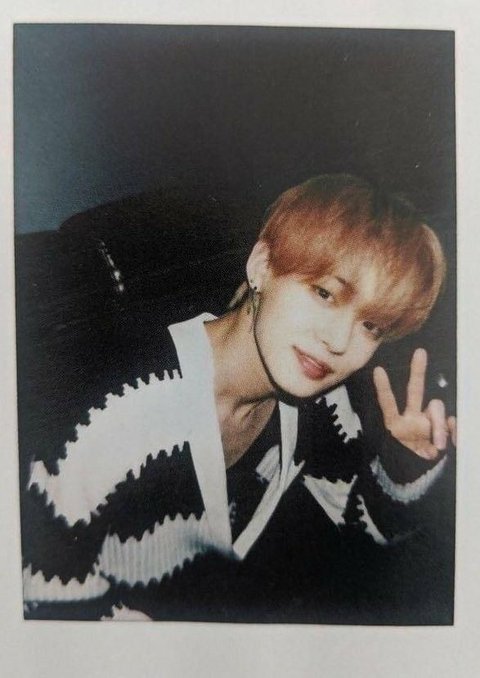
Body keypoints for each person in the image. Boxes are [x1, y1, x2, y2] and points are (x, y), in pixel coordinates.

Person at [21, 174, 455, 621]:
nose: (339, 341)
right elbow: (46, 603)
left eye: (371, 326)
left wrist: (401, 467)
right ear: (262, 265)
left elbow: (355, 533)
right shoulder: (111, 412)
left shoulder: (321, 404)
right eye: (325, 293)